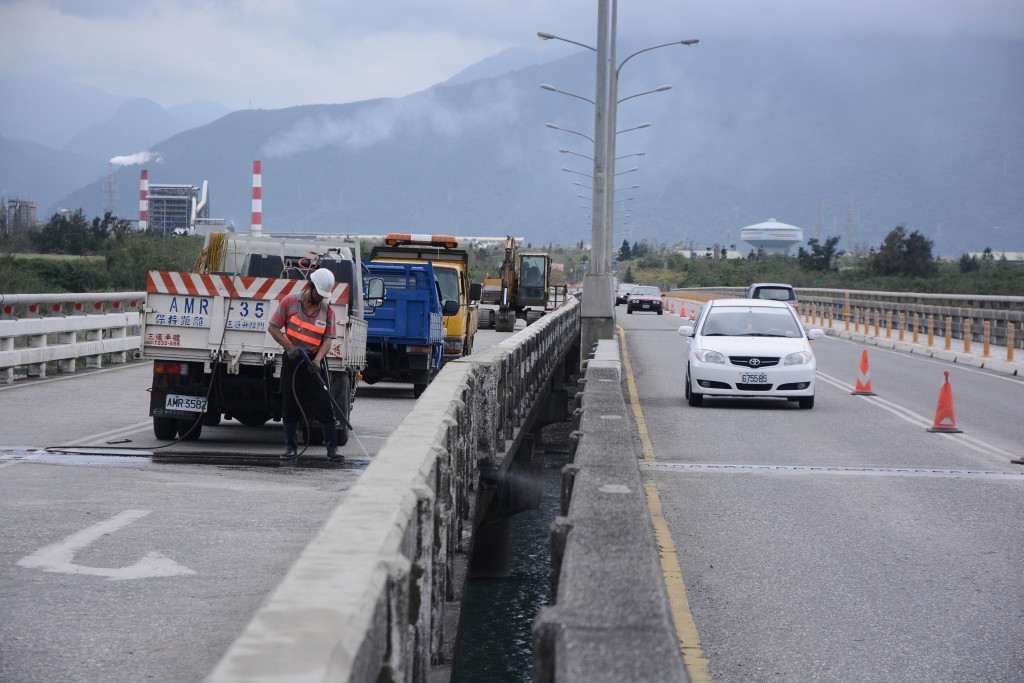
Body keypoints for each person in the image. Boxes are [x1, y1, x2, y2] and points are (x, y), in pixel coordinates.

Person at [268, 268, 342, 463]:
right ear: (310, 286)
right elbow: (273, 327)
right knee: (290, 404)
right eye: (319, 293)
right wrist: (288, 347)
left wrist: (318, 360)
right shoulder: (289, 302)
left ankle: (332, 450)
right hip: (292, 360)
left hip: (314, 363)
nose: (321, 298)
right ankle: (290, 449)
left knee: (325, 405)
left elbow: (327, 340)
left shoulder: (328, 310)